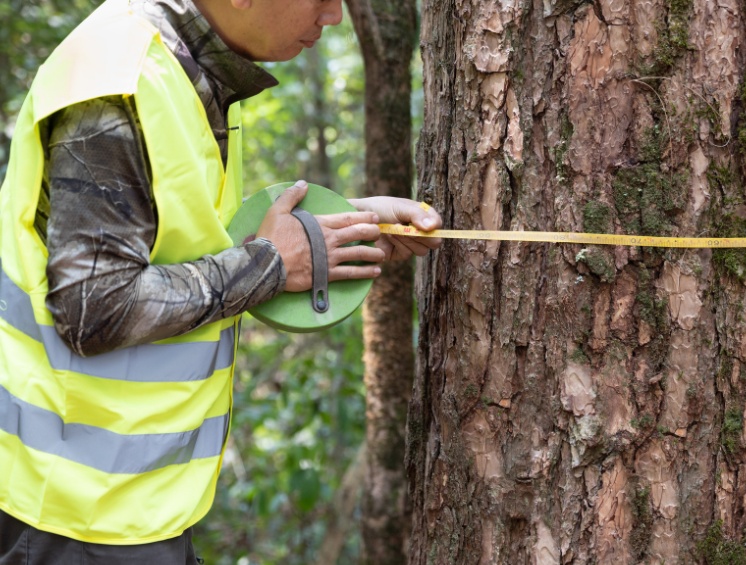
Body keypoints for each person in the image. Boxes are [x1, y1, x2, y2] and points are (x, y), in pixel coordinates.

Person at [0, 0, 441, 561]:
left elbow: (181, 242)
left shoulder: (191, 70)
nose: (333, 16)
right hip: (72, 513)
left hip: (131, 506)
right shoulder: (120, 79)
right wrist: (270, 264)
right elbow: (94, 307)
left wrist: (339, 229)